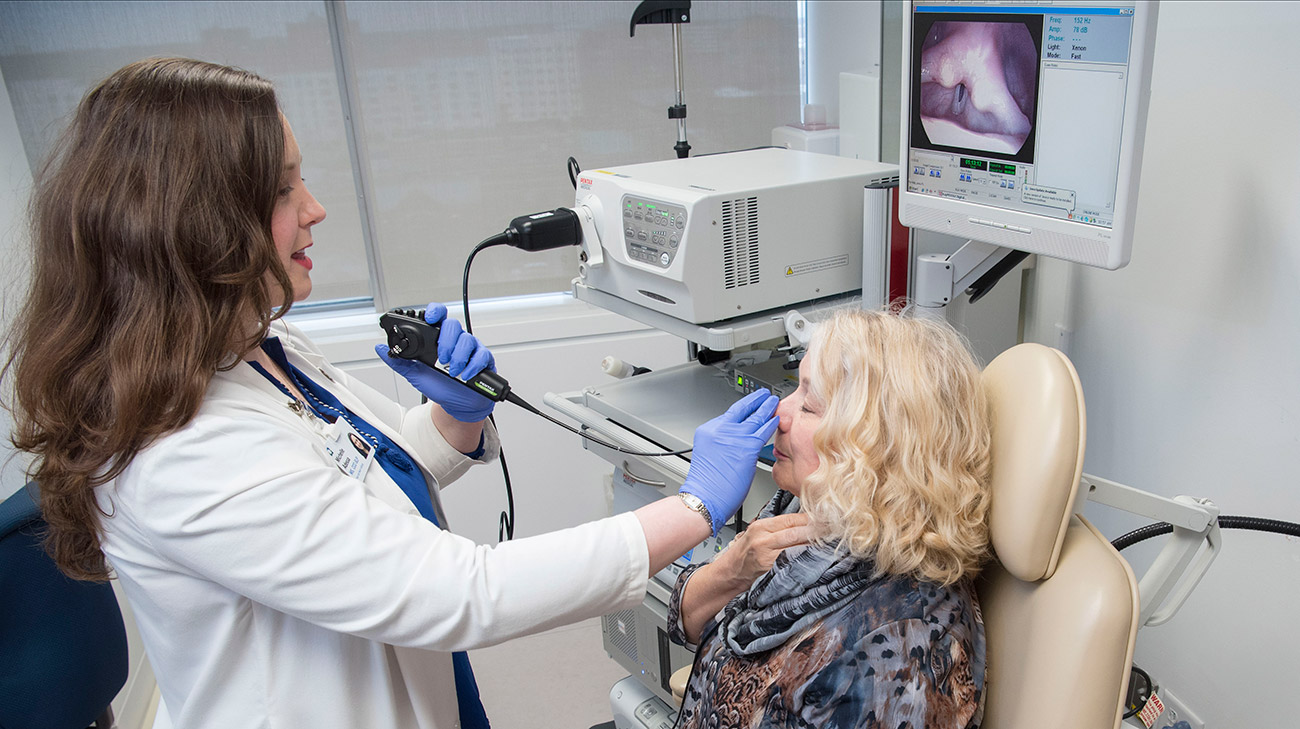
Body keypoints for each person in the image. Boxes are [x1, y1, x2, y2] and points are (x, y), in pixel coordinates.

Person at [3, 58, 779, 729]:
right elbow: (460, 590)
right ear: (194, 227)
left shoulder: (261, 347)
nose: (315, 209)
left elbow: (348, 489)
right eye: (282, 191)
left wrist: (452, 418)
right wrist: (695, 506)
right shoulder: (184, 455)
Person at [667, 309, 992, 729]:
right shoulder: (803, 515)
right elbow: (693, 625)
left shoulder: (901, 647)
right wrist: (731, 569)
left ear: (879, 447)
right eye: (794, 388)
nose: (778, 413)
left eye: (809, 404)